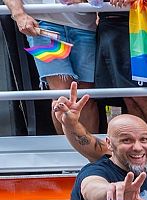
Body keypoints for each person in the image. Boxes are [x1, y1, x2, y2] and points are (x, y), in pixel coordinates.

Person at [5, 0, 99, 134]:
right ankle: (67, 150)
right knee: (61, 96)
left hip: (85, 26)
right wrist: (19, 14)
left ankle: (91, 152)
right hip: (43, 25)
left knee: (86, 98)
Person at [94, 0, 147, 131]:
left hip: (136, 22)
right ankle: (142, 143)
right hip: (108, 24)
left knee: (142, 95)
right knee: (128, 96)